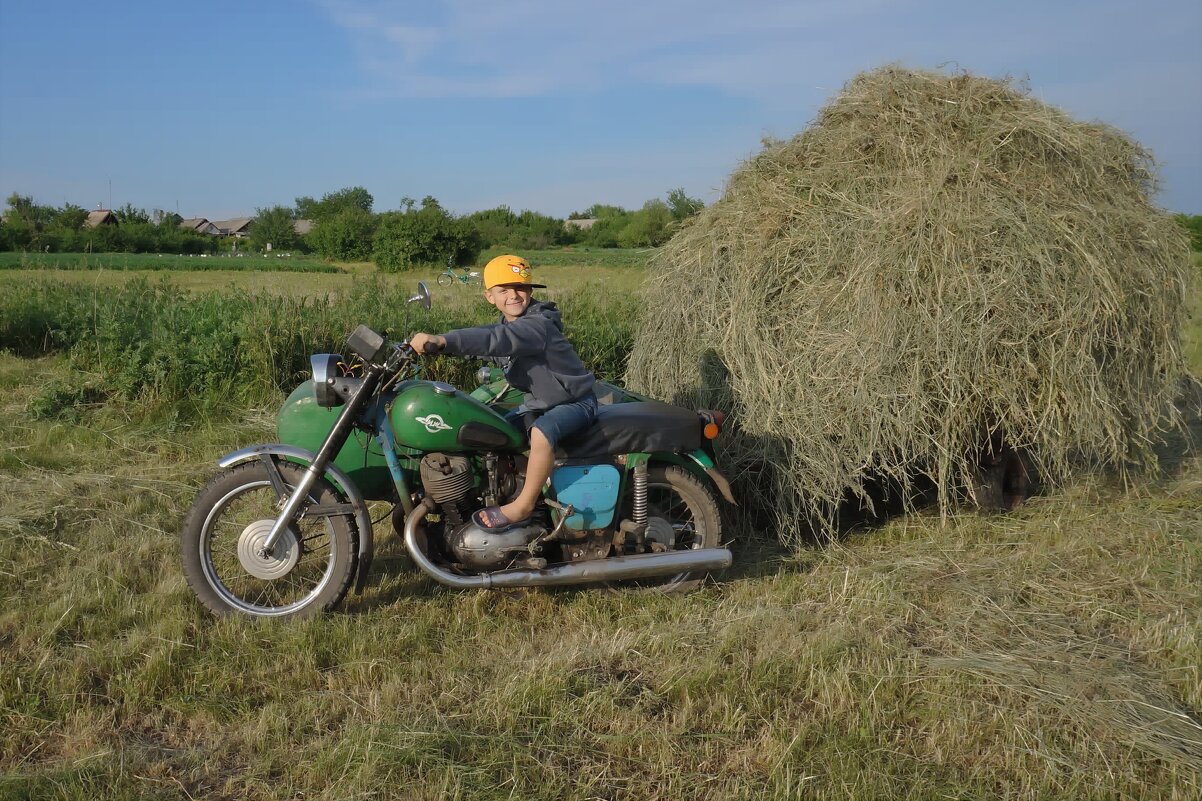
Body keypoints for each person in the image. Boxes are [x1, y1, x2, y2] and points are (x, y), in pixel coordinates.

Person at [409, 254, 597, 531]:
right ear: (489, 296)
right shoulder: (508, 325)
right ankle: (498, 492)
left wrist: (444, 340)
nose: (513, 295)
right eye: (503, 290)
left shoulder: (538, 325)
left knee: (541, 433)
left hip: (576, 403)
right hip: (541, 404)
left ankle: (524, 505)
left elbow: (496, 340)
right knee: (490, 431)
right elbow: (491, 342)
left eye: (520, 288)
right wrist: (444, 349)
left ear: (530, 291)